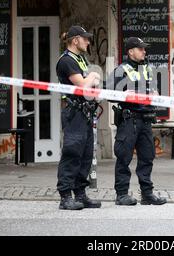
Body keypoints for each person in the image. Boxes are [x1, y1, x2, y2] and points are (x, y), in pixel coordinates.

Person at [106, 37, 166, 206]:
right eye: (141, 49)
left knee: (147, 157)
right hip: (129, 120)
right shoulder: (121, 70)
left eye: (144, 49)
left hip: (146, 120)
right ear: (131, 51)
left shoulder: (147, 69)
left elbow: (152, 89)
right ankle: (122, 194)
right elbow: (108, 93)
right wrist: (125, 94)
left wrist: (155, 94)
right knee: (124, 157)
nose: (144, 51)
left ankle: (147, 194)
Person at [56, 25, 102, 210]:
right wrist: (93, 75)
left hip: (85, 113)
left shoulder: (80, 59)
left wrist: (93, 81)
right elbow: (84, 86)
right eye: (85, 38)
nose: (88, 41)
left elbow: (92, 87)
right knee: (72, 154)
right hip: (74, 113)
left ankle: (80, 194)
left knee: (85, 156)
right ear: (75, 40)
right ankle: (65, 196)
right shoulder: (66, 61)